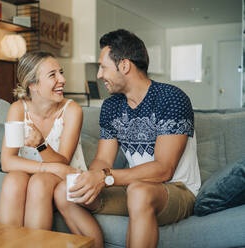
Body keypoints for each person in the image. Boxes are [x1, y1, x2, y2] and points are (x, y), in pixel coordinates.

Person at [54, 29, 201, 248]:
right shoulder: (111, 106)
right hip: (131, 187)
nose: (99, 75)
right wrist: (91, 179)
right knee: (65, 192)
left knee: (139, 192)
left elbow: (163, 169)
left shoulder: (172, 98)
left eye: (103, 67)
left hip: (177, 190)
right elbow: (103, 160)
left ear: (124, 66)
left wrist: (105, 177)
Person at [0, 51, 87, 230]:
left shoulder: (72, 110)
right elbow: (7, 162)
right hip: (34, 172)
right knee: (12, 180)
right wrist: (44, 167)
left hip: (62, 177)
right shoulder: (18, 109)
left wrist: (41, 145)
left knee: (39, 182)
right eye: (53, 75)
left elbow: (62, 163)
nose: (62, 79)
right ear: (32, 84)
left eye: (61, 72)